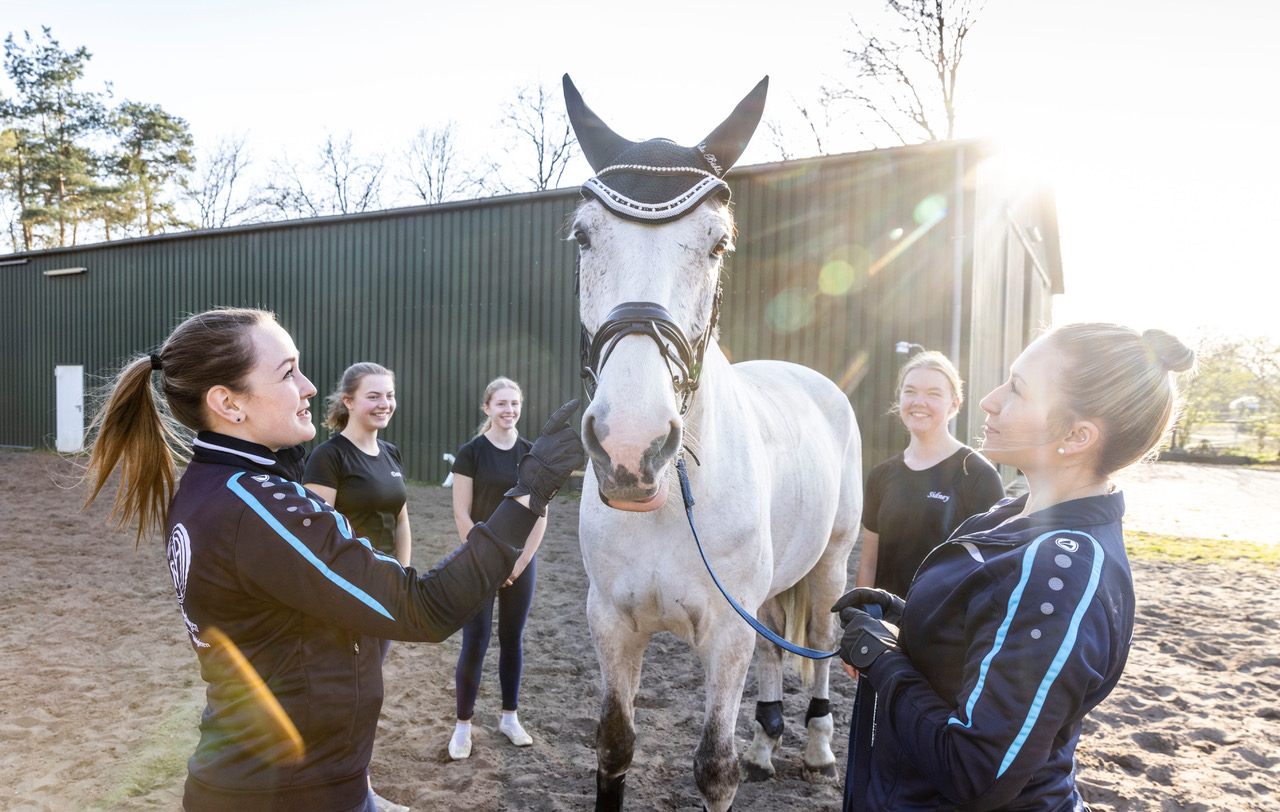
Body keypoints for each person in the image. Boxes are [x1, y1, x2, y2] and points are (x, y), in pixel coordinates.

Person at [82, 308, 584, 812]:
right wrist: (531, 490)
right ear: (228, 402)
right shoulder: (255, 505)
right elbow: (424, 609)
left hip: (292, 780)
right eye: (288, 372)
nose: (308, 385)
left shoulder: (211, 485)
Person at [834, 323, 1195, 811]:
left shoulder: (1063, 570)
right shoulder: (1011, 514)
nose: (989, 400)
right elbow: (992, 630)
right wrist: (908, 617)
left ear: (1076, 435)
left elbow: (976, 771)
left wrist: (884, 662)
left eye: (1017, 389)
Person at [302, 362, 410, 812]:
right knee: (343, 698)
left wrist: (401, 581)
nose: (384, 404)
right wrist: (348, 591)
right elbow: (316, 536)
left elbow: (401, 520)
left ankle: (358, 789)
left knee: (366, 697)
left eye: (389, 395)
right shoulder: (328, 457)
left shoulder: (392, 454)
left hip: (383, 594)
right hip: (344, 597)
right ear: (348, 402)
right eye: (373, 396)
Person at [447, 377, 545, 760]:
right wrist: (487, 560)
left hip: (521, 561)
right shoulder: (471, 452)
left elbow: (540, 516)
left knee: (512, 639)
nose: (509, 411)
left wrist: (518, 562)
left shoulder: (532, 455)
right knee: (476, 640)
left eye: (515, 404)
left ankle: (509, 718)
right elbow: (461, 511)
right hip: (478, 562)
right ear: (486, 408)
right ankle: (462, 727)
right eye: (501, 404)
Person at [856, 351, 1004, 598]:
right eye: (910, 391)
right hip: (883, 627)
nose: (918, 402)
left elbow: (994, 570)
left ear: (954, 404)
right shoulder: (881, 476)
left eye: (933, 394)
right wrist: (859, 617)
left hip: (944, 629)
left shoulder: (978, 476)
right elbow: (869, 563)